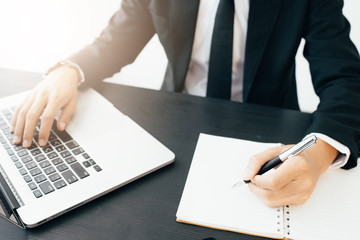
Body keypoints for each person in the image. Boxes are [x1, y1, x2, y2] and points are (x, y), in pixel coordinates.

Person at [10, 0, 360, 207]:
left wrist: (320, 151)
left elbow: (345, 77)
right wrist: (68, 71)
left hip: (265, 128)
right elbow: (118, 39)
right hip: (177, 122)